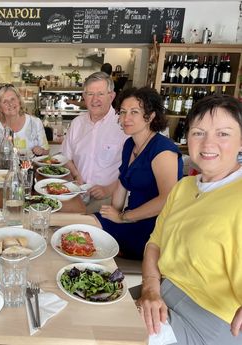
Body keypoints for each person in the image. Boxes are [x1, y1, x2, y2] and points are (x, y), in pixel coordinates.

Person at [138, 94, 242, 344]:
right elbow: (155, 243)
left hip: (211, 319)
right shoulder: (184, 187)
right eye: (198, 132)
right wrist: (150, 288)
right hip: (163, 292)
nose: (208, 143)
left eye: (223, 134)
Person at [91, 87, 183, 259]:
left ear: (151, 116)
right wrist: (113, 212)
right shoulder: (129, 144)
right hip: (130, 217)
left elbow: (167, 200)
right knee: (82, 225)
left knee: (88, 238)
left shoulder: (162, 150)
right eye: (123, 112)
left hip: (151, 229)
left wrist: (122, 217)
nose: (126, 118)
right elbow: (122, 182)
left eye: (134, 112)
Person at [62, 71, 128, 214]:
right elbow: (66, 157)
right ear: (84, 97)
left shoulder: (123, 125)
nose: (95, 99)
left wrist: (108, 189)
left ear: (112, 96)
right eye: (90, 94)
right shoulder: (77, 123)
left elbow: (132, 169)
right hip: (76, 193)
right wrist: (75, 175)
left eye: (100, 94)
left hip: (108, 198)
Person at [0, 84, 49, 156]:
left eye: (13, 99)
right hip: (3, 167)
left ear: (19, 101)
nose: (10, 104)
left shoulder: (35, 123)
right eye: (5, 101)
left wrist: (41, 151)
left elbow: (46, 151)